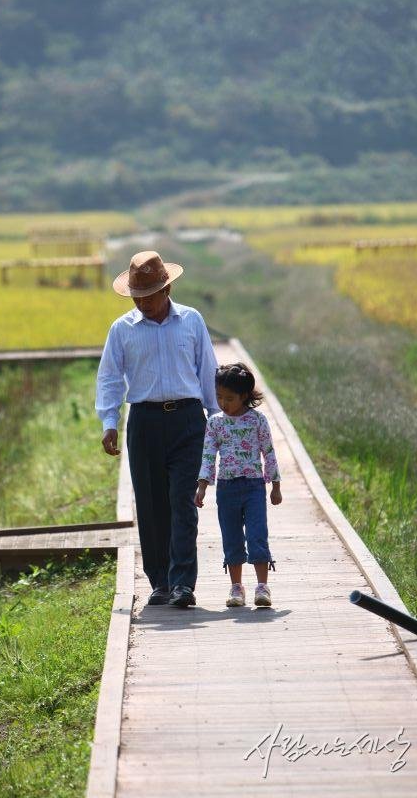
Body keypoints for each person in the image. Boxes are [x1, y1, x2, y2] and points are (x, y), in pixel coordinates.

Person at [96, 250, 220, 608]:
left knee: (183, 502)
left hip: (187, 421)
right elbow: (109, 379)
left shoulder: (192, 321)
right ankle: (160, 582)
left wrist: (217, 423)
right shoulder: (122, 329)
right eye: (137, 297)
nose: (143, 303)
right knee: (151, 506)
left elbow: (207, 370)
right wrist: (109, 422)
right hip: (144, 422)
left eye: (149, 296)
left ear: (167, 289)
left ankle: (182, 582)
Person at [195, 362, 282, 607]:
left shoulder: (257, 421)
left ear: (244, 396)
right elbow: (209, 455)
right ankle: (236, 587)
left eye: (230, 398)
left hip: (254, 487)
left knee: (257, 536)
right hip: (226, 488)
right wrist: (202, 486)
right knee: (231, 538)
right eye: (219, 397)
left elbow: (269, 451)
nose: (224, 403)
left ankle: (262, 587)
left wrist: (274, 483)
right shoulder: (215, 423)